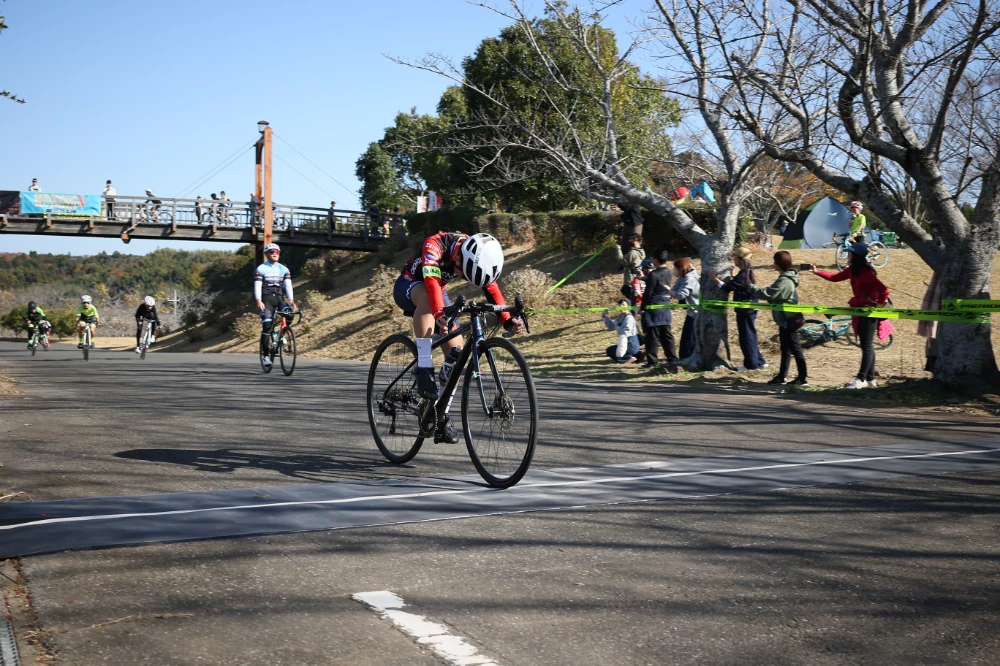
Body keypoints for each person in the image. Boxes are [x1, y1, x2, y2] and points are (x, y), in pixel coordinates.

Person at [393, 232, 523, 444]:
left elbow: (491, 288)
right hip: (410, 284)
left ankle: (439, 415)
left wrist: (507, 320)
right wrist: (439, 315)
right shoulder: (435, 246)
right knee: (427, 298)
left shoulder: (477, 252)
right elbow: (431, 283)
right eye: (463, 274)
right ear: (457, 258)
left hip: (437, 290)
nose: (462, 277)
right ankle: (423, 365)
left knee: (457, 354)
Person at [808, 242, 890, 388]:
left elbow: (884, 291)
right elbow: (834, 278)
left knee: (866, 346)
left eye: (850, 253)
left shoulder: (867, 272)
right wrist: (817, 272)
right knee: (867, 345)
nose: (848, 255)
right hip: (859, 311)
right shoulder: (852, 270)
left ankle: (861, 379)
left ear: (855, 256)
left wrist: (877, 307)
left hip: (870, 313)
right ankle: (870, 379)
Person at [745, 251, 807, 386]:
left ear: (779, 264)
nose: (773, 264)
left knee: (795, 349)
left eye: (775, 262)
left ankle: (802, 378)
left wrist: (750, 286)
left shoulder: (784, 281)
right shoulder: (785, 278)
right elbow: (775, 296)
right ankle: (782, 376)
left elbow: (768, 294)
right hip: (785, 319)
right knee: (786, 349)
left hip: (789, 319)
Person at [708, 246, 767, 370]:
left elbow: (727, 287)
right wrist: (733, 275)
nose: (733, 259)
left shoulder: (743, 274)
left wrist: (714, 279)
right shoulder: (747, 272)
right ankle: (759, 361)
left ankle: (751, 365)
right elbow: (739, 284)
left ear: (740, 259)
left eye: (735, 257)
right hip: (750, 307)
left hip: (745, 309)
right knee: (750, 334)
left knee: (746, 336)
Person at [254, 243, 296, 369]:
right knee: (267, 327)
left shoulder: (284, 269)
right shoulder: (261, 268)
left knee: (290, 315)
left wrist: (291, 300)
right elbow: (257, 286)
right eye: (272, 252)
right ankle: (266, 356)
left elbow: (288, 285)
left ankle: (281, 334)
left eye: (277, 252)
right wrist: (259, 301)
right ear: (267, 254)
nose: (274, 253)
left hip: (279, 299)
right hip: (267, 300)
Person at [640, 248, 677, 367]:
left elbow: (648, 293)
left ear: (655, 259)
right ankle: (672, 358)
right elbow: (659, 284)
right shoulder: (668, 272)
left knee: (652, 336)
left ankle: (652, 361)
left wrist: (642, 307)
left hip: (653, 309)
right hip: (665, 307)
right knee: (666, 334)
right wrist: (644, 278)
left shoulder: (653, 274)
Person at [671, 258, 700, 360]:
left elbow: (680, 295)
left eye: (675, 268)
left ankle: (688, 358)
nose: (674, 271)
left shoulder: (689, 279)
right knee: (686, 336)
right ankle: (685, 357)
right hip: (691, 312)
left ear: (680, 269)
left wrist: (669, 291)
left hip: (696, 313)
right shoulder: (682, 278)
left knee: (689, 338)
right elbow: (675, 288)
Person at [602, 299, 642, 363]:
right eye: (620, 305)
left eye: (623, 305)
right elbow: (611, 326)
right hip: (628, 343)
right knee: (610, 349)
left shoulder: (629, 318)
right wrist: (604, 317)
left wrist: (617, 327)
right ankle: (638, 355)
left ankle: (628, 358)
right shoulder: (621, 317)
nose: (621, 307)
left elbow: (626, 332)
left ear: (628, 307)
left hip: (631, 343)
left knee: (611, 351)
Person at [616, 233, 645, 298]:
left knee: (629, 295)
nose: (629, 241)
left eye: (631, 239)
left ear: (635, 239)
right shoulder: (642, 252)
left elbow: (622, 260)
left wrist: (618, 248)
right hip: (638, 281)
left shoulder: (633, 253)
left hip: (630, 281)